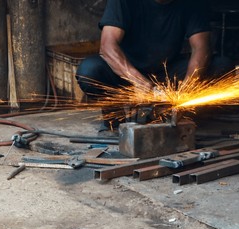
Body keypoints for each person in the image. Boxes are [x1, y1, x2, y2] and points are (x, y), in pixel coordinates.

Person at [76, 0, 212, 132]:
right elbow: (107, 47)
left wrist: (187, 87)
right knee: (89, 70)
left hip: (166, 73)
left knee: (220, 65)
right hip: (126, 75)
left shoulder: (193, 3)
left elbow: (201, 48)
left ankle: (177, 114)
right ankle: (116, 115)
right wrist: (139, 82)